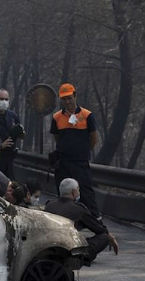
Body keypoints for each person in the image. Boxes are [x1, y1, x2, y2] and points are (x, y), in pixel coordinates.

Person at [50, 83, 100, 218]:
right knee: (64, 193)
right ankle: (65, 219)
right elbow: (57, 138)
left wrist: (83, 150)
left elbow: (94, 138)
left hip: (80, 161)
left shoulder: (87, 115)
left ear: (75, 96)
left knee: (85, 191)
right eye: (64, 99)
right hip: (63, 162)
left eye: (69, 98)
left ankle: (95, 220)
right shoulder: (56, 117)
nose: (67, 101)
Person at [45, 178, 118, 263]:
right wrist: (110, 237)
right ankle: (81, 257)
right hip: (68, 249)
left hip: (48, 246)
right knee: (104, 237)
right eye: (78, 189)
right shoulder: (79, 209)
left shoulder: (49, 205)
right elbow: (99, 229)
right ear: (74, 192)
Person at [0, 88, 22, 180]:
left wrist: (21, 134)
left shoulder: (13, 116)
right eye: (1, 99)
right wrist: (0, 145)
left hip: (10, 157)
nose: (4, 102)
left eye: (6, 99)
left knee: (10, 184)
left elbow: (18, 130)